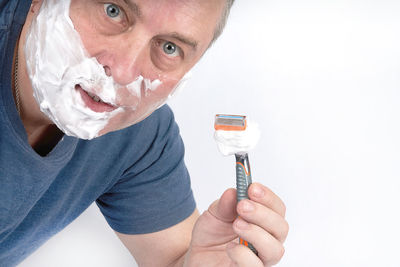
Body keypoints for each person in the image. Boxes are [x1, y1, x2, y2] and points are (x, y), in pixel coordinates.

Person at [0, 0, 289, 266]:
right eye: (113, 11)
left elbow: (175, 257)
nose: (124, 72)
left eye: (169, 48)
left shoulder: (138, 133)